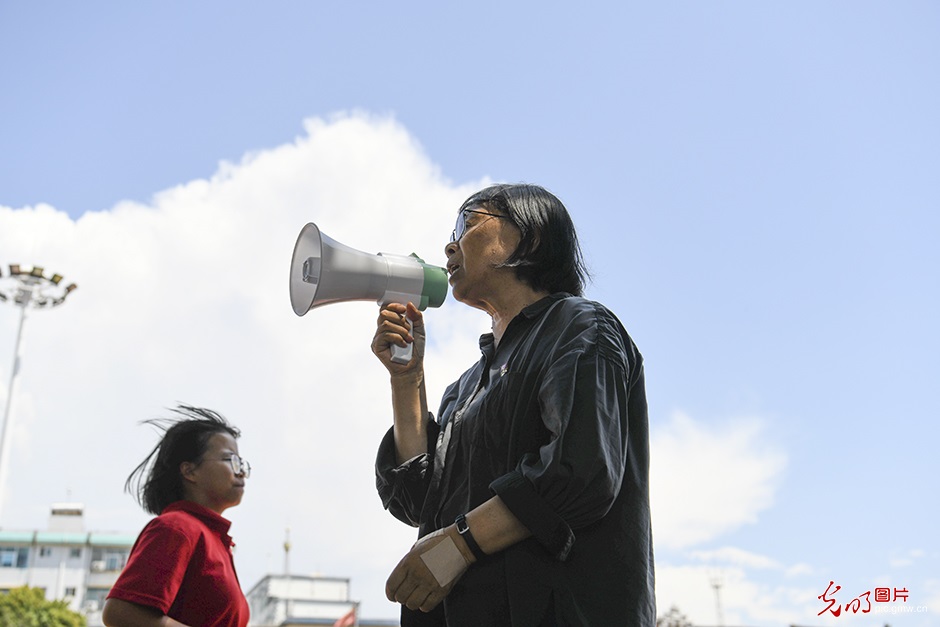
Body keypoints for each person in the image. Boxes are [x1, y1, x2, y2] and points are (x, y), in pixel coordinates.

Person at [372, 183, 656, 626]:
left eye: (468, 222)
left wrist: (458, 545)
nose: (449, 244)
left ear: (532, 237)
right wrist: (407, 381)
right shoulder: (466, 388)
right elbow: (419, 502)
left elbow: (580, 471)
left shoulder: (579, 328)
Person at [102, 405, 251, 627]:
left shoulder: (214, 539)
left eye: (242, 463)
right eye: (230, 460)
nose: (240, 471)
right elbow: (121, 612)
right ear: (189, 471)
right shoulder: (177, 527)